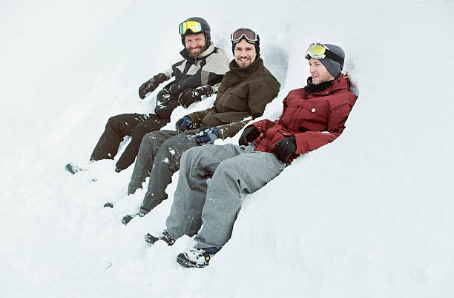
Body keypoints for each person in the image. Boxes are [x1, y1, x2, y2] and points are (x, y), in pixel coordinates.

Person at [145, 43, 358, 268]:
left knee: (228, 172)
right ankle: (179, 229)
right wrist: (258, 126)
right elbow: (280, 122)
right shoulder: (298, 94)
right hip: (258, 146)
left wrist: (298, 141)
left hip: (276, 158)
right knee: (193, 157)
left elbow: (335, 135)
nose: (311, 70)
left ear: (333, 68)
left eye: (317, 65)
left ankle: (209, 246)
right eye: (310, 64)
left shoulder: (341, 100)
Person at [119, 28, 281, 224]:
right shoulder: (232, 75)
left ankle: (150, 208)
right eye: (239, 49)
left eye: (248, 49)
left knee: (169, 148)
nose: (243, 54)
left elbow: (257, 122)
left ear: (257, 50)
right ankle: (132, 198)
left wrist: (219, 132)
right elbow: (215, 108)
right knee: (151, 138)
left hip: (219, 136)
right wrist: (193, 117)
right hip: (204, 127)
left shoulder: (263, 82)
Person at [65, 17, 229, 174]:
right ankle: (96, 164)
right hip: (160, 115)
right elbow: (172, 69)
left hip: (175, 121)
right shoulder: (189, 59)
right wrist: (158, 78)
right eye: (189, 41)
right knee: (116, 122)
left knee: (142, 130)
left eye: (197, 39)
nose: (193, 45)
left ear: (206, 38)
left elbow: (230, 82)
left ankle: (117, 173)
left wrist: (205, 90)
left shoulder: (216, 58)